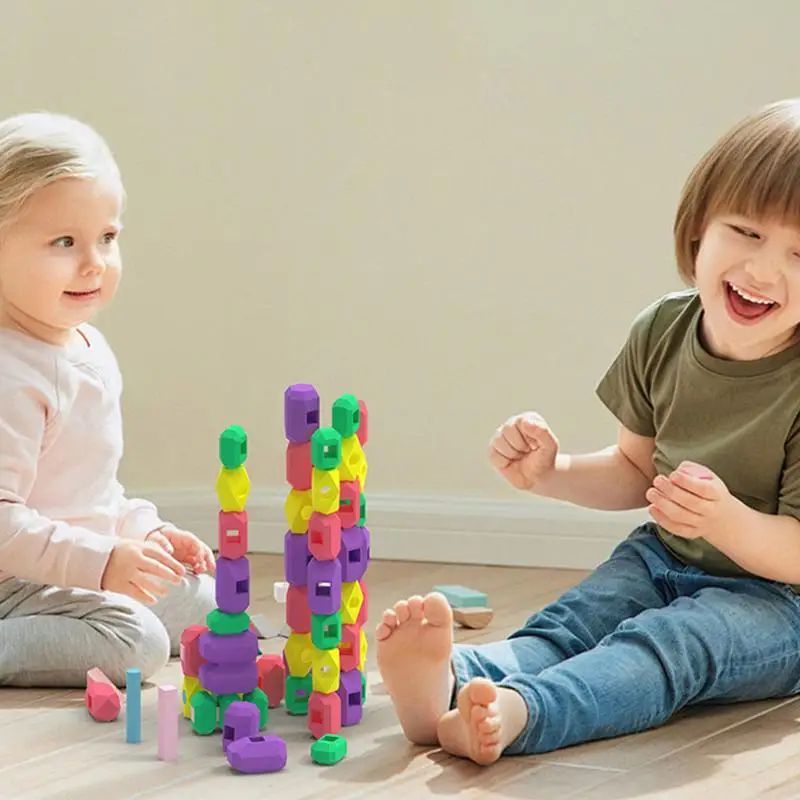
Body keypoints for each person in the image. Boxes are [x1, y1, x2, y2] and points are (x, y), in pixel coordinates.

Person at [376, 97, 800, 765]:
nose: (762, 269)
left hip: (780, 603)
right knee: (574, 623)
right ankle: (452, 681)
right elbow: (636, 469)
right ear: (698, 229)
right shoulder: (663, 329)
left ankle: (524, 714)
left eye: (798, 252)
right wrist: (553, 471)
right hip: (662, 557)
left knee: (670, 645)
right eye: (744, 231)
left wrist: (724, 521)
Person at [0, 112, 216, 688]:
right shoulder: (9, 374)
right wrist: (101, 562)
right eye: (64, 242)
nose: (94, 261)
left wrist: (144, 535)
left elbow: (91, 492)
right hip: (10, 582)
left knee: (204, 605)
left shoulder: (88, 347)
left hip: (71, 566)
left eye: (108, 238)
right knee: (138, 642)